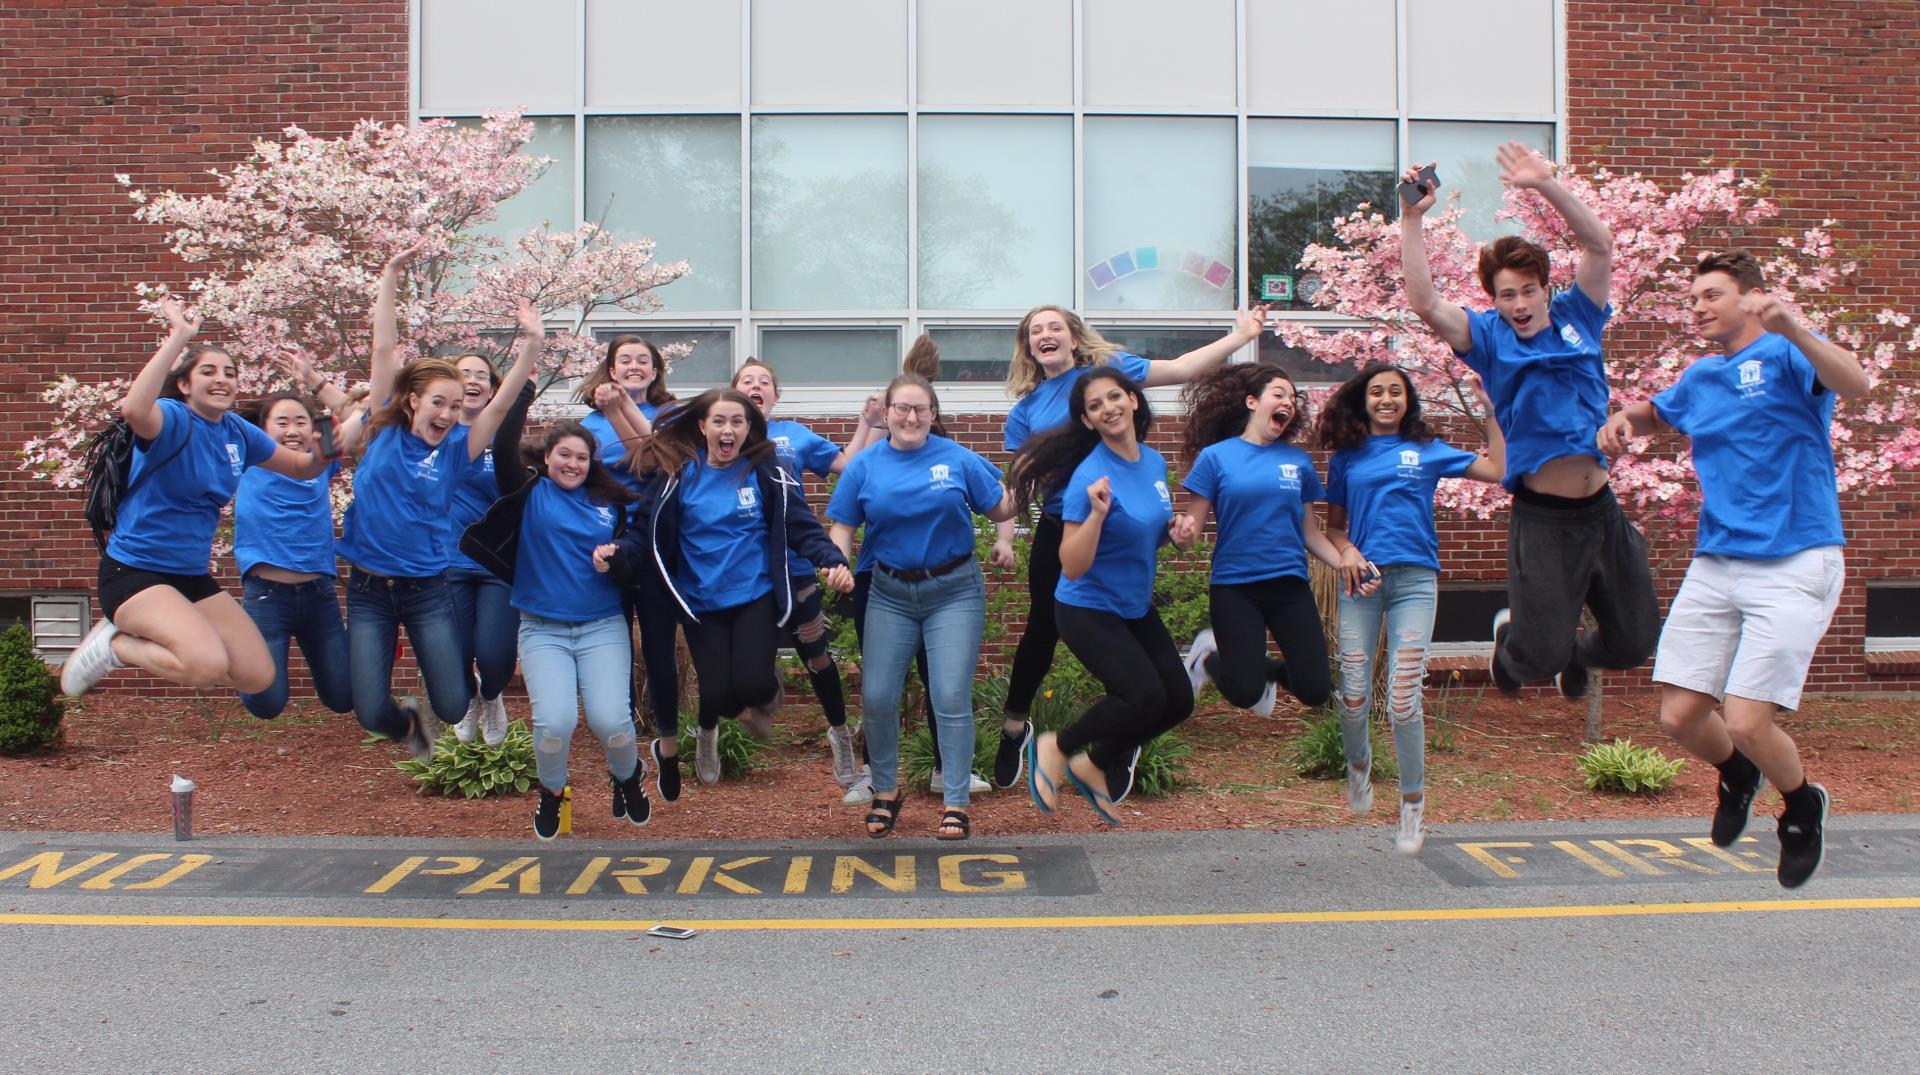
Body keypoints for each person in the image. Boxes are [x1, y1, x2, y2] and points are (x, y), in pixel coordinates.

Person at [1597, 250, 1868, 888]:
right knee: (1681, 716)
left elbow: (1857, 384)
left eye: (1710, 296)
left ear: (1751, 297)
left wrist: (1795, 329)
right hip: (1719, 560)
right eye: (1692, 299)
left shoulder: (1786, 353)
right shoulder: (1701, 376)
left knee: (1747, 720)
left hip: (1796, 556)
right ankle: (1739, 774)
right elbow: (1656, 412)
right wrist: (1622, 420)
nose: (1697, 308)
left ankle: (1801, 804)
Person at [1398, 142, 1657, 698]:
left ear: (1546, 289)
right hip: (1544, 521)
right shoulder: (1487, 338)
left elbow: (1599, 244)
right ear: (1494, 299)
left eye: (1528, 291)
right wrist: (1412, 220)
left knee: (1636, 644)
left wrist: (1543, 185)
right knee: (1535, 659)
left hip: (1602, 510)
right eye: (1506, 295)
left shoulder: (1579, 316)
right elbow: (1425, 303)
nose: (1519, 304)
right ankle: (1515, 643)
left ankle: (1576, 655)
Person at [992, 304, 1270, 792]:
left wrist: (1241, 334)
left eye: (1055, 326)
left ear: (1074, 338)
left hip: (1124, 523)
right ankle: (1016, 727)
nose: (1046, 334)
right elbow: (1020, 485)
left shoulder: (1110, 376)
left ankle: (1124, 733)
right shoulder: (1026, 411)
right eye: (1035, 331)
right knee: (1043, 631)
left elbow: (1183, 367)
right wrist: (1005, 535)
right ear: (1030, 349)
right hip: (1068, 525)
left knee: (1127, 629)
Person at [61, 296, 335, 699]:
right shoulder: (173, 418)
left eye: (230, 372)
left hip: (189, 575)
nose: (222, 379)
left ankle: (130, 640)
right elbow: (135, 410)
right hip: (135, 572)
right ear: (186, 384)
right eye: (208, 372)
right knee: (205, 664)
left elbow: (302, 468)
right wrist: (179, 338)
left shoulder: (237, 432)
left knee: (257, 676)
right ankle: (115, 645)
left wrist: (328, 441)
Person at [330, 247, 542, 758]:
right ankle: (406, 726)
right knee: (367, 711)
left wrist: (532, 344)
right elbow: (384, 351)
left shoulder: (457, 450)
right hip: (368, 590)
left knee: (451, 705)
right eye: (438, 402)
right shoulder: (381, 429)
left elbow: (504, 400)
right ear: (412, 402)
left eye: (455, 404)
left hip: (427, 589)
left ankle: (454, 710)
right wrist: (389, 277)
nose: (448, 412)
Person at [602, 388, 854, 787]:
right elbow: (643, 531)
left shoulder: (766, 471)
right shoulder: (677, 474)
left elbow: (799, 524)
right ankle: (741, 704)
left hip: (755, 594)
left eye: (737, 421)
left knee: (752, 683)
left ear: (749, 428)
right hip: (702, 601)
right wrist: (617, 553)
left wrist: (832, 560)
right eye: (719, 421)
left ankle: (762, 684)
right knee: (718, 697)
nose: (728, 429)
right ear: (702, 426)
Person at [1316, 363, 1506, 854]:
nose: (1385, 399)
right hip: (1362, 580)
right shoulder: (1347, 458)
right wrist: (1348, 552)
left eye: (1395, 392)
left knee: (1403, 701)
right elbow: (1334, 527)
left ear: (1407, 401)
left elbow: (1498, 471)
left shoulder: (1426, 450)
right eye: (1376, 391)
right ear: (1364, 401)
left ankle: (1412, 807)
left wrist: (1491, 410)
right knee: (1353, 692)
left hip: (1416, 583)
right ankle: (1358, 766)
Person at [828, 373, 1016, 840]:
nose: (911, 417)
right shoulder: (866, 465)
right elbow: (842, 526)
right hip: (890, 593)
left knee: (949, 696)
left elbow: (1002, 508)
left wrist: (1042, 481)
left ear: (933, 415)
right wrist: (838, 562)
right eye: (901, 409)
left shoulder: (958, 459)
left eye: (921, 409)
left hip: (953, 591)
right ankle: (886, 792)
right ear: (886, 413)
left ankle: (955, 801)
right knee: (876, 697)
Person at [460, 381, 648, 839]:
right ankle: (553, 790)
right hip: (542, 629)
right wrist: (522, 390)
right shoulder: (529, 493)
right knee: (554, 723)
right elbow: (503, 442)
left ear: (591, 463)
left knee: (613, 723)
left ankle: (626, 778)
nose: (573, 464)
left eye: (582, 458)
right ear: (546, 458)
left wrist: (618, 554)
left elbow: (637, 545)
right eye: (564, 455)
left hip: (602, 626)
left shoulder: (610, 503)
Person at [1009, 368, 1193, 825]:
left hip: (1132, 605)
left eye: (1115, 397)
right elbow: (1071, 563)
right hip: (1086, 607)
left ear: (1133, 401)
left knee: (1177, 700)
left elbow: (1142, 533)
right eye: (1095, 406)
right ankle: (1056, 746)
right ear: (1088, 422)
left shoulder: (1152, 461)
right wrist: (1094, 514)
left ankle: (1094, 763)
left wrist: (1177, 533)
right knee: (1142, 695)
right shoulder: (1088, 476)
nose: (1108, 408)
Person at [731, 358, 881, 780]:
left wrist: (867, 422)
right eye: (747, 381)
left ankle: (840, 735)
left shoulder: (791, 435)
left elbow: (849, 466)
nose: (756, 385)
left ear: (776, 397)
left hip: (794, 564)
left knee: (816, 656)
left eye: (765, 382)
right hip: (742, 568)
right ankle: (758, 692)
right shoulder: (721, 434)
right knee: (745, 652)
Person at [1175, 363, 1342, 726]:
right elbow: (1193, 525)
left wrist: (1345, 564)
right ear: (1252, 402)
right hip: (1236, 587)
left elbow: (1310, 533)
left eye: (1293, 398)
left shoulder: (1297, 461)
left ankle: (1255, 670)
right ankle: (1207, 657)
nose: (1288, 402)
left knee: (1315, 689)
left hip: (1289, 585)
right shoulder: (1216, 457)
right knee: (1243, 692)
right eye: (1278, 394)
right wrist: (1184, 533)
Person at [576, 335, 684, 796]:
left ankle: (668, 744)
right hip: (609, 546)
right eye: (625, 361)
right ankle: (623, 759)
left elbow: (657, 458)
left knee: (660, 651)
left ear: (657, 372)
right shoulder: (587, 424)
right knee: (613, 655)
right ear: (610, 370)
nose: (636, 366)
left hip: (657, 542)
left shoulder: (672, 418)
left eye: (644, 360)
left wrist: (622, 408)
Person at [229, 383, 357, 721]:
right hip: (267, 597)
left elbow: (359, 417)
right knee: (268, 704)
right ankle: (234, 653)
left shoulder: (322, 457)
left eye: (301, 421)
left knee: (344, 697)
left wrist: (317, 382)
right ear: (263, 429)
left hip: (319, 594)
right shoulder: (249, 458)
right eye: (281, 422)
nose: (292, 430)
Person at [443, 352, 515, 747]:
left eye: (482, 376)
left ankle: (491, 693)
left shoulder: (502, 435)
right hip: (446, 562)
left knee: (496, 657)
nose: (473, 380)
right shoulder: (434, 434)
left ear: (492, 388)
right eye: (463, 373)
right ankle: (472, 697)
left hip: (494, 564)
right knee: (456, 652)